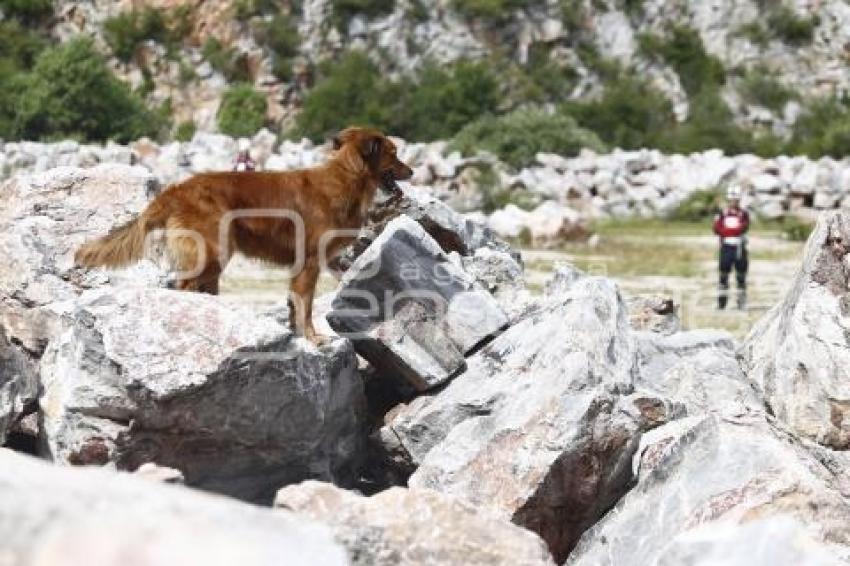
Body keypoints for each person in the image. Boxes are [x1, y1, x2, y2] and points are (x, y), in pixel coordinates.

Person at [713, 185, 749, 310]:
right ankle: (721, 304)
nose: (734, 202)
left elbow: (743, 228)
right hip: (726, 247)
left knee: (741, 276)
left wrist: (728, 230)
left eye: (736, 200)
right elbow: (717, 229)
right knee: (723, 276)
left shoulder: (743, 214)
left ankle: (741, 303)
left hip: (739, 248)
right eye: (732, 200)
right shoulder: (722, 213)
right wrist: (731, 231)